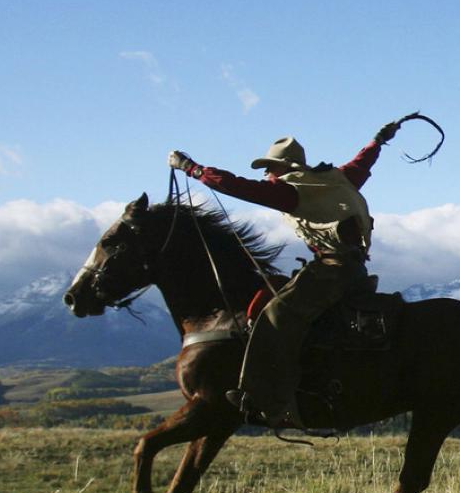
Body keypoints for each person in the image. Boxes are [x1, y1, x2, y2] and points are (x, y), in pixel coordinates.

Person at [168, 121, 399, 427]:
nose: (267, 174)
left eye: (270, 168)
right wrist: (377, 141)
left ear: (285, 166)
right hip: (353, 268)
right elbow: (361, 163)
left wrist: (191, 168)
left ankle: (261, 395)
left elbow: (238, 186)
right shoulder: (338, 179)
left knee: (276, 314)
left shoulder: (292, 190)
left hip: (333, 270)